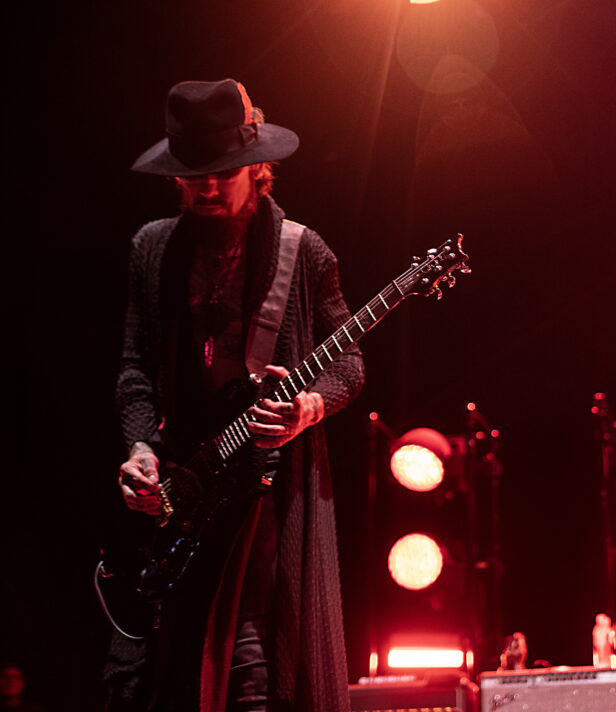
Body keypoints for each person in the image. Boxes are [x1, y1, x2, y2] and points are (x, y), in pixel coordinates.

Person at [107, 79, 365, 712]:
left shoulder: (303, 252)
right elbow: (135, 368)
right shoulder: (152, 250)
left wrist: (306, 409)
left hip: (263, 490)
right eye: (195, 174)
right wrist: (140, 448)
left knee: (254, 666)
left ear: (257, 167)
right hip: (181, 485)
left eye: (224, 172)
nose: (210, 188)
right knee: (159, 667)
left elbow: (351, 362)